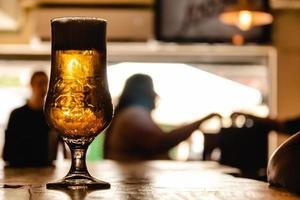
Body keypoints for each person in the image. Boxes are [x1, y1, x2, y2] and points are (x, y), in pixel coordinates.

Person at [104, 74, 220, 160]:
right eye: (151, 89)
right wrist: (200, 122)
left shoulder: (129, 114)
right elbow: (162, 142)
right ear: (142, 92)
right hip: (133, 182)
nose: (155, 95)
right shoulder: (134, 114)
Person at [3, 71, 60, 167]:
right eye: (39, 83)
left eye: (45, 83)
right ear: (31, 85)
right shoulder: (17, 115)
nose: (43, 88)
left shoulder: (51, 116)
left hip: (45, 167)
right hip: (19, 168)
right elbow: (8, 151)